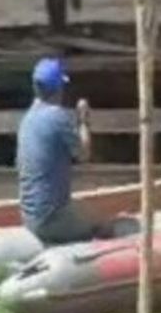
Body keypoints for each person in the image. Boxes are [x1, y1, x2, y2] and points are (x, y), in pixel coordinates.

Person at [16, 57, 105, 244]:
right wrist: (83, 120)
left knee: (80, 209)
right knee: (102, 225)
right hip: (52, 219)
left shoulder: (26, 120)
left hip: (29, 216)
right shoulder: (57, 117)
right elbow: (84, 154)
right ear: (59, 88)